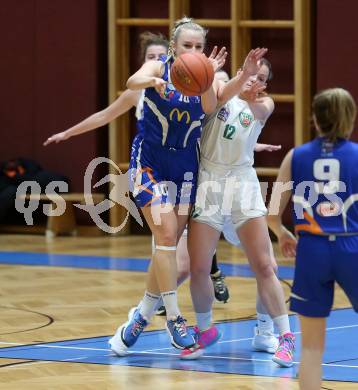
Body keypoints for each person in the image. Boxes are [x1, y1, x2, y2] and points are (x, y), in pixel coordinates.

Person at [181, 58, 296, 368]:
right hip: (209, 182)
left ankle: (285, 337)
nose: (252, 81)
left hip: (242, 182)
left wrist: (249, 91)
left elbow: (260, 110)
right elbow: (210, 99)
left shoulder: (264, 104)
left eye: (260, 78)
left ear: (265, 84)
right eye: (248, 74)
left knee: (264, 265)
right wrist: (234, 79)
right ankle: (205, 330)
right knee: (199, 267)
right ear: (237, 73)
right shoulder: (218, 88)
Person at [267, 87, 358, 389]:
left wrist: (281, 233)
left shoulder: (296, 156)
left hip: (311, 249)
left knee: (310, 349)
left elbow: (271, 214)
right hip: (351, 245)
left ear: (315, 121)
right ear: (349, 119)